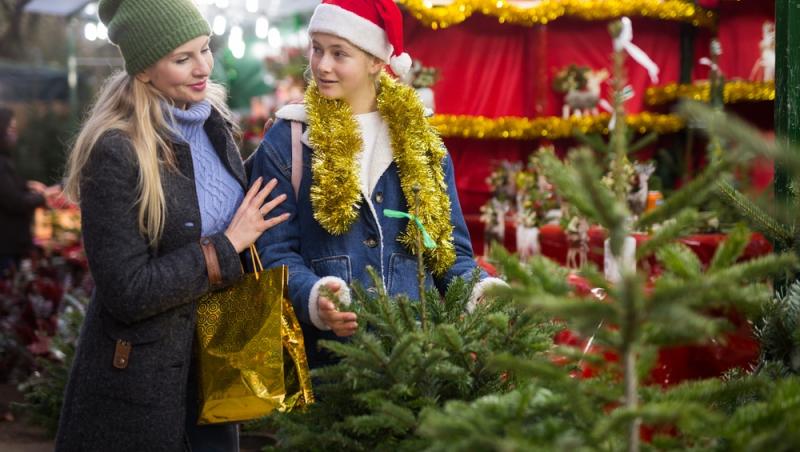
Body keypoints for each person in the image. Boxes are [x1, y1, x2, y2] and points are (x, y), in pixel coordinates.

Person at [54, 0, 289, 450]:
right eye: (183, 59)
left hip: (217, 369)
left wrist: (284, 141)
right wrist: (226, 246)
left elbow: (218, 203)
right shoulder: (117, 151)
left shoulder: (214, 122)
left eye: (205, 48)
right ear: (144, 70)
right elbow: (127, 291)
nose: (203, 67)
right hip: (141, 389)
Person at [251, 0, 503, 368]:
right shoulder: (288, 140)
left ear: (375, 61)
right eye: (317, 49)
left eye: (339, 53)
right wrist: (314, 296)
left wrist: (480, 288)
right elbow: (273, 252)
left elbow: (448, 253)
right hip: (326, 368)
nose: (322, 65)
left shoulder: (420, 141)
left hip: (416, 365)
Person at [0, 107, 48, 275]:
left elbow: (8, 189)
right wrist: (44, 196)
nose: (14, 134)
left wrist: (27, 185)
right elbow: (15, 202)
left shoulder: (5, 159)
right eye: (10, 128)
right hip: (6, 247)